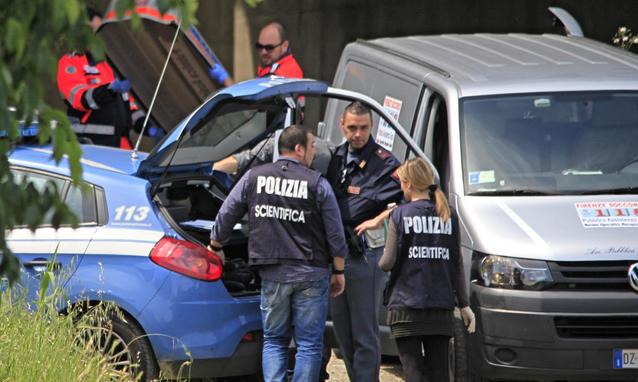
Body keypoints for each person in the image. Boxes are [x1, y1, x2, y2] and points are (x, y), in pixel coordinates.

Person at [210, 125, 346, 382]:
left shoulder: (254, 177)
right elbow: (336, 234)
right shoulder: (318, 183)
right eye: (312, 146)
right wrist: (339, 270)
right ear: (298, 148)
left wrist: (215, 246)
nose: (314, 152)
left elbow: (226, 214)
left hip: (272, 273)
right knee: (308, 344)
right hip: (311, 272)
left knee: (274, 340)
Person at [378, 158, 476, 382]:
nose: (401, 187)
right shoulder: (448, 214)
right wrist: (464, 304)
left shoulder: (400, 214)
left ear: (409, 184)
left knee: (414, 372)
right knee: (440, 372)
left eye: (402, 182)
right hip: (440, 307)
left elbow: (387, 262)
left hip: (405, 308)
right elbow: (456, 264)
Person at [325, 101, 403, 382]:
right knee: (343, 333)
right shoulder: (333, 159)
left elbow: (413, 199)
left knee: (364, 333)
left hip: (364, 256)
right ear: (342, 126)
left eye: (364, 128)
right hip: (335, 255)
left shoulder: (385, 163)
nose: (358, 134)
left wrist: (379, 218)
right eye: (352, 128)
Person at [57, 7, 163, 148]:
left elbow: (131, 108)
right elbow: (80, 99)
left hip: (120, 145)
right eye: (93, 31)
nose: (98, 36)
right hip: (89, 146)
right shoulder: (70, 62)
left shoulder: (111, 64)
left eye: (101, 31)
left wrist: (150, 128)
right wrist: (109, 91)